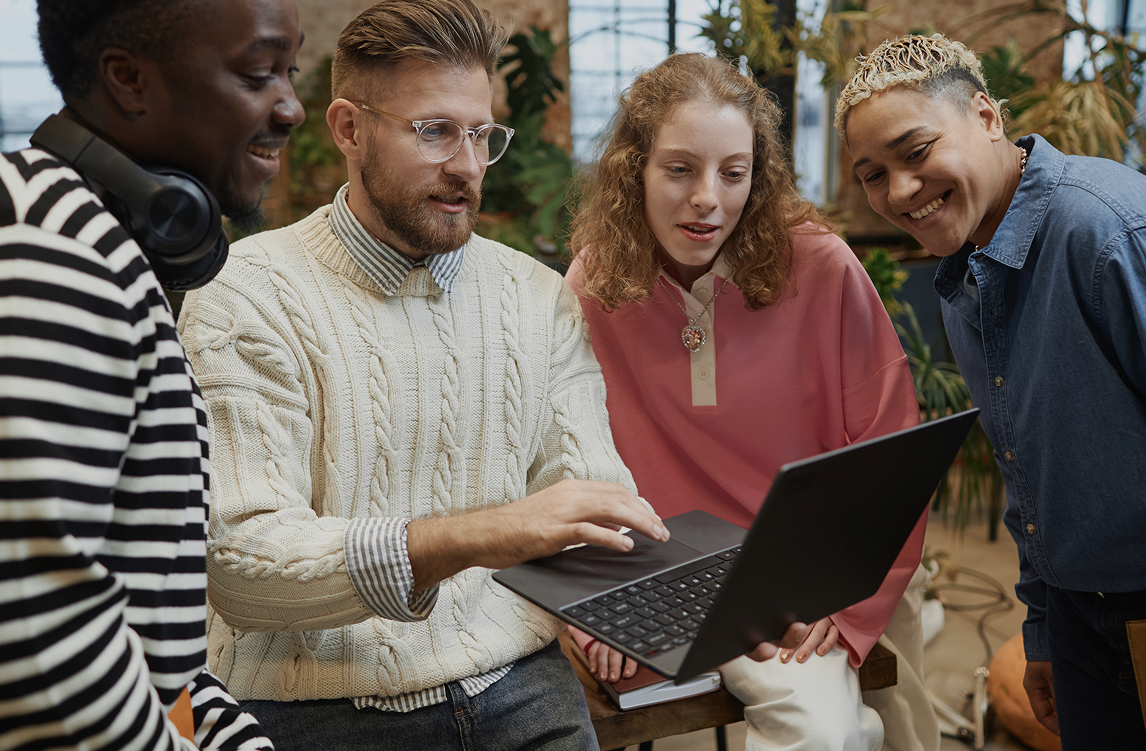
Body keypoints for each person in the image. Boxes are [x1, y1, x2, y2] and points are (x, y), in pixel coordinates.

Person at [174, 1, 671, 749]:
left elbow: (590, 510)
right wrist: (473, 534)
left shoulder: (536, 298)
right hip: (314, 707)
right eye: (434, 131)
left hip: (521, 683)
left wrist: (723, 605)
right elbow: (244, 570)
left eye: (480, 134)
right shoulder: (243, 294)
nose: (468, 166)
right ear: (348, 128)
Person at [564, 52, 936, 751]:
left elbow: (893, 454)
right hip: (656, 577)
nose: (709, 197)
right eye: (679, 169)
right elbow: (560, 455)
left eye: (733, 174)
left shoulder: (821, 266)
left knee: (827, 733)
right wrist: (589, 605)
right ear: (634, 168)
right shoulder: (596, 281)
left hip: (795, 579)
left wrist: (850, 603)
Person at [0, 0, 305, 749]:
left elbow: (154, 650)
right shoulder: (55, 253)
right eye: (259, 73)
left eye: (289, 73)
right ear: (128, 79)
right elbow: (38, 635)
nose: (291, 107)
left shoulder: (96, 242)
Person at [837, 33, 1146, 749]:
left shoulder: (1109, 233)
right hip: (1078, 615)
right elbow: (1026, 471)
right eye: (873, 174)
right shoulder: (965, 277)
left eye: (916, 152)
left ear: (985, 116)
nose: (901, 191)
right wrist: (1042, 627)